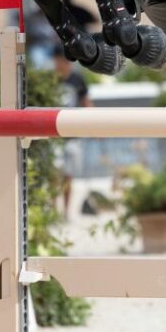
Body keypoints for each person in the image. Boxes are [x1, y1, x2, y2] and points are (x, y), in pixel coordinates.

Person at [51, 42, 91, 215]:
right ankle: (53, 209)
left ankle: (66, 211)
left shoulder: (77, 79)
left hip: (72, 134)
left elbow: (86, 102)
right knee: (54, 174)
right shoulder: (50, 79)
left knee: (68, 175)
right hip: (53, 134)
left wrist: (96, 124)